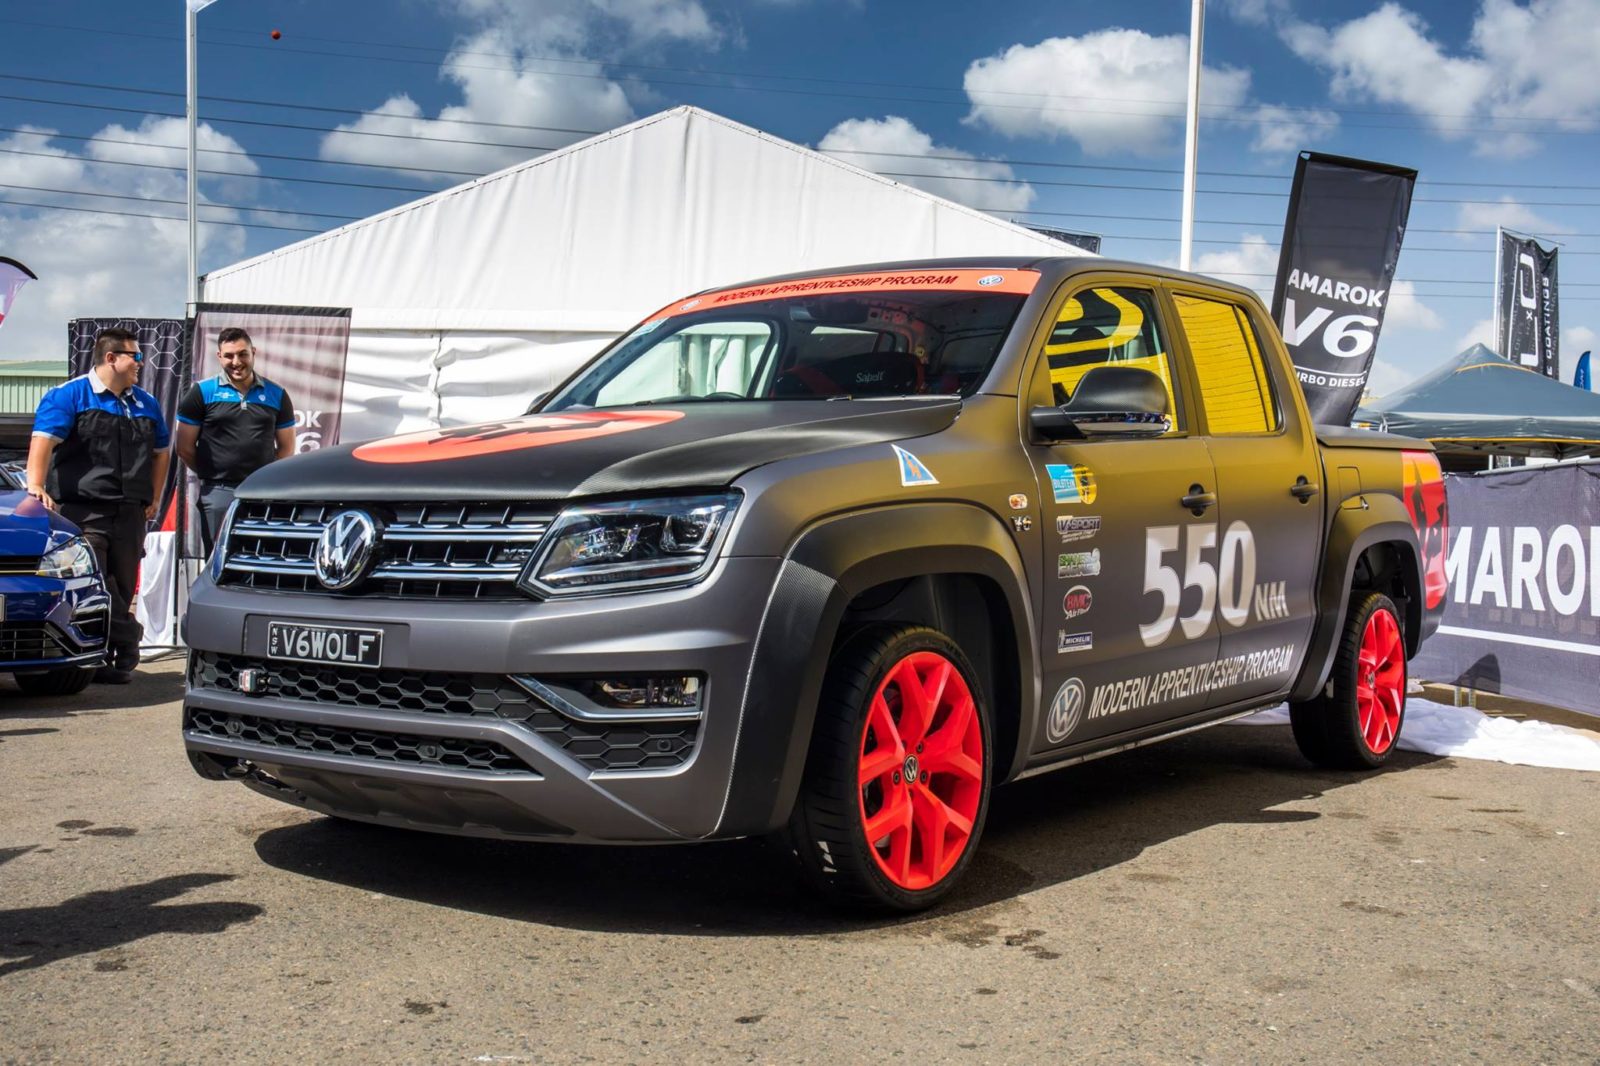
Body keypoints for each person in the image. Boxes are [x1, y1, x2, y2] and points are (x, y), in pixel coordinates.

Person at [26, 327, 171, 684]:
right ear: (111, 358)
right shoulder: (70, 396)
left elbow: (161, 453)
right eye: (134, 356)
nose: (140, 362)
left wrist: (153, 497)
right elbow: (42, 441)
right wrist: (35, 485)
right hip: (82, 511)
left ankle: (107, 658)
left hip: (130, 511)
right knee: (96, 584)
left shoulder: (146, 403)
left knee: (122, 586)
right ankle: (129, 637)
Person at [174, 327, 296, 557]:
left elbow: (287, 448)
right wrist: (213, 473)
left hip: (262, 494)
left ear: (254, 353)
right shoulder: (201, 392)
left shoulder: (277, 394)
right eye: (229, 356)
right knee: (219, 561)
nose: (236, 362)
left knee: (262, 558)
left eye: (242, 354)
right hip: (218, 493)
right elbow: (184, 447)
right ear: (219, 356)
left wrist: (264, 480)